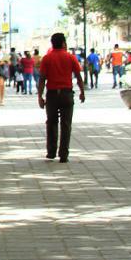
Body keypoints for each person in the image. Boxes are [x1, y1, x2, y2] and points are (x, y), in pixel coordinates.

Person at [37, 32, 86, 163]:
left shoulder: (47, 58)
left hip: (52, 94)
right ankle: (64, 154)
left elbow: (42, 79)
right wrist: (82, 92)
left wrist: (40, 96)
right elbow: (78, 77)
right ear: (64, 43)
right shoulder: (70, 57)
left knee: (51, 123)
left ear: (52, 44)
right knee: (66, 124)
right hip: (67, 94)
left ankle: (51, 152)